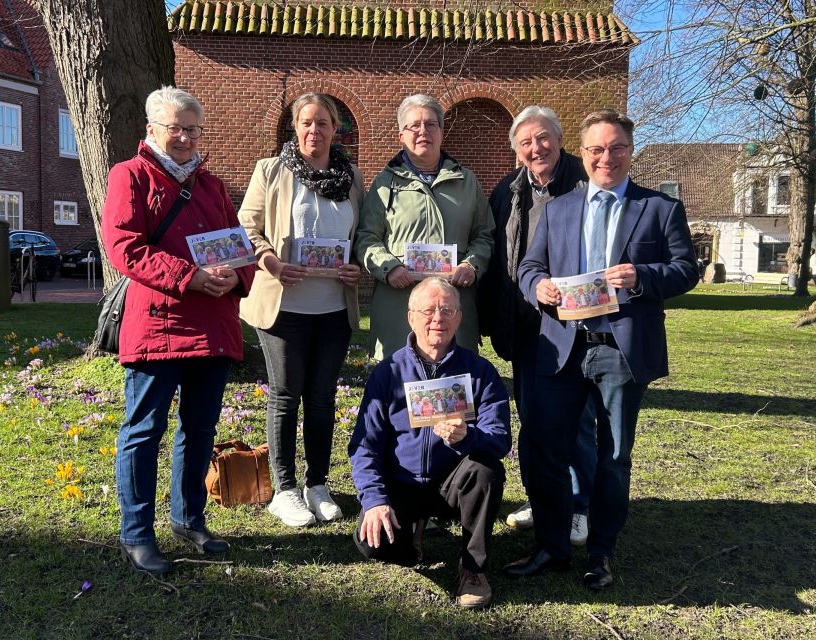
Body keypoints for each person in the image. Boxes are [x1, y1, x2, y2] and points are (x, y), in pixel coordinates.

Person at [507, 109, 699, 589]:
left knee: (613, 457)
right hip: (563, 348)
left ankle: (600, 553)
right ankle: (552, 547)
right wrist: (538, 287)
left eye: (616, 148)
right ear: (583, 152)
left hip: (620, 350)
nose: (605, 158)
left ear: (631, 152)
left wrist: (642, 276)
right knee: (545, 449)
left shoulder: (659, 208)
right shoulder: (559, 209)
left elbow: (686, 270)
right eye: (596, 149)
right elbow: (529, 266)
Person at [101, 86, 257, 576]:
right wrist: (190, 277)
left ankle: (189, 518)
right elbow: (125, 247)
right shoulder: (129, 175)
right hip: (159, 326)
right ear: (151, 129)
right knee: (144, 431)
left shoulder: (211, 186)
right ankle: (136, 533)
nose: (186, 138)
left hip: (212, 326)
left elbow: (238, 246)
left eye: (193, 129)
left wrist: (237, 276)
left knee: (199, 429)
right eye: (176, 129)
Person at [238, 93, 366, 528]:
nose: (315, 130)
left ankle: (317, 485)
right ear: (295, 127)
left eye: (323, 123)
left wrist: (357, 265)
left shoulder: (352, 177)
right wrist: (271, 262)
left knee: (323, 397)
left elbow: (363, 234)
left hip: (334, 307)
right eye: (307, 122)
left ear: (335, 129)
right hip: (284, 305)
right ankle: (285, 489)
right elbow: (246, 227)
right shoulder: (271, 170)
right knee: (286, 395)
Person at [349, 277, 511, 610]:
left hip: (453, 485)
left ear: (459, 318)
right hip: (402, 483)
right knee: (372, 543)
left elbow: (500, 439)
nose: (438, 318)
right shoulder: (388, 373)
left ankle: (473, 568)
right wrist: (375, 500)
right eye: (428, 311)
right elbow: (365, 446)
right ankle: (412, 538)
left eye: (447, 310)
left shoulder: (479, 372)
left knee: (486, 471)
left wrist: (469, 436)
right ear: (411, 317)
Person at [478, 106, 592, 543]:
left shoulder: (585, 184)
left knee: (576, 422)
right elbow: (497, 260)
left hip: (574, 324)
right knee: (532, 419)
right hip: (525, 324)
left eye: (543, 137)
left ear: (560, 139)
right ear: (516, 150)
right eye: (525, 142)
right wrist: (490, 317)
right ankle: (542, 497)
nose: (536, 147)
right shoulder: (507, 190)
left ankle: (579, 505)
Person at [355, 94, 495, 360]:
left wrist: (472, 265)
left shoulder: (466, 182)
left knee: (453, 380)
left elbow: (484, 234)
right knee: (400, 380)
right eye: (414, 126)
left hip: (453, 307)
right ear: (401, 136)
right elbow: (366, 237)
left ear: (441, 132)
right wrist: (388, 267)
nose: (423, 131)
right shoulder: (385, 184)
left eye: (431, 124)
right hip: (399, 307)